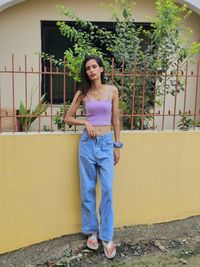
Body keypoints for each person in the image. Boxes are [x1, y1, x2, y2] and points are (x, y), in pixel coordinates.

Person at [64, 55, 123, 259]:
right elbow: (68, 117)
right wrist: (85, 123)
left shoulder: (112, 90)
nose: (91, 70)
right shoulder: (83, 92)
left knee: (107, 188)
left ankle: (107, 236)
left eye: (94, 66)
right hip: (87, 144)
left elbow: (115, 118)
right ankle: (92, 231)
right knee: (87, 187)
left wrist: (117, 145)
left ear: (101, 69)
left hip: (106, 143)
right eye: (88, 68)